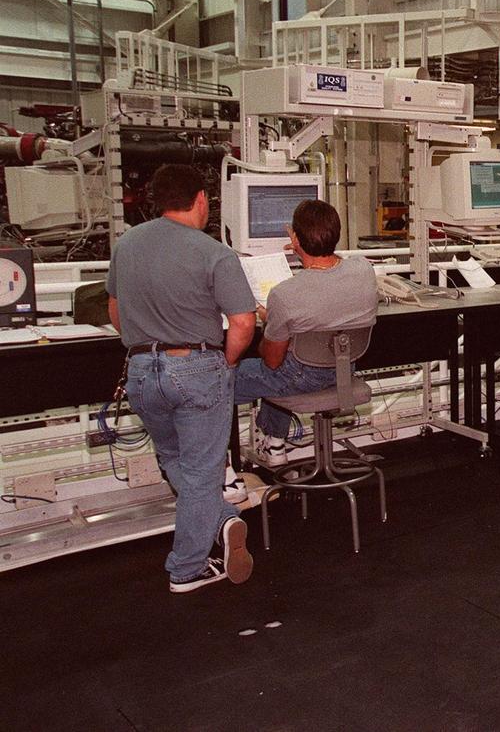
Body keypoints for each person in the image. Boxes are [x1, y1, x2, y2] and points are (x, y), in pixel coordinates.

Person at [107, 164, 257, 593]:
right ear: (201, 200)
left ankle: (223, 520)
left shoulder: (126, 244)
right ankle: (186, 568)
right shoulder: (214, 252)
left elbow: (115, 311)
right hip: (197, 368)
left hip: (140, 370)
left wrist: (143, 345)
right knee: (202, 474)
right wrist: (226, 363)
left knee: (173, 460)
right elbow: (243, 323)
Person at [234, 200, 378, 465]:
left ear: (295, 239)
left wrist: (270, 325)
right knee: (289, 351)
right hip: (344, 370)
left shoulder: (285, 294)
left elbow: (272, 362)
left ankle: (224, 471)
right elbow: (331, 287)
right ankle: (275, 443)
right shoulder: (364, 270)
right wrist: (277, 318)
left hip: (301, 377)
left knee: (218, 379)